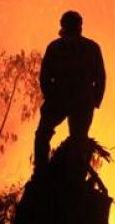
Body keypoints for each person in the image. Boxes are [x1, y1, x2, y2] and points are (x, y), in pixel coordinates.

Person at [34, 11, 105, 172]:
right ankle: (45, 173)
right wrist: (94, 100)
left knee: (67, 139)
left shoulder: (58, 47)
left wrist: (94, 101)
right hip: (71, 100)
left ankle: (46, 172)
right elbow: (100, 77)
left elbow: (100, 77)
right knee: (74, 140)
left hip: (72, 101)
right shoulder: (89, 48)